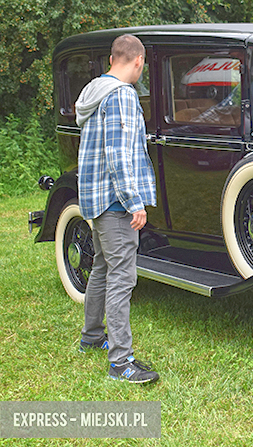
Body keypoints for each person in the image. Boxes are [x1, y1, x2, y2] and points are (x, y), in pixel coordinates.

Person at [74, 34, 159, 384]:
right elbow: (119, 155)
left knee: (102, 268)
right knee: (123, 276)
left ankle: (92, 336)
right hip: (114, 201)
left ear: (113, 58)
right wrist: (133, 202)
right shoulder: (122, 96)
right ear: (137, 62)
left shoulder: (95, 89)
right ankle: (120, 362)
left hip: (94, 197)